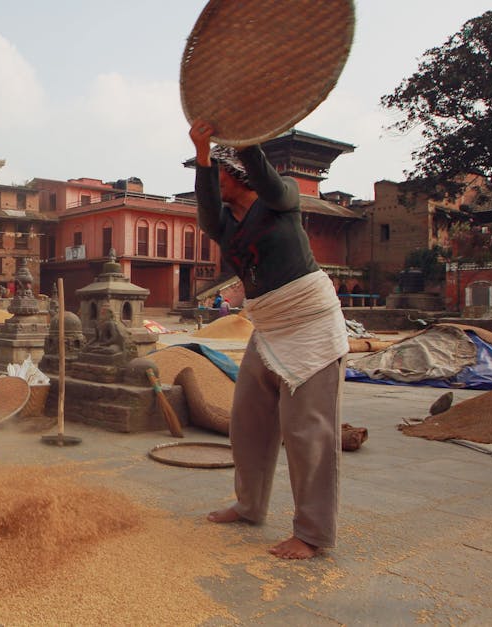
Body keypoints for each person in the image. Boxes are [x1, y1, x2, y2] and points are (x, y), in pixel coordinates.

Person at [189, 120, 349, 560]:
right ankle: (249, 504)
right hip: (271, 324)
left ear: (234, 172)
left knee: (306, 431)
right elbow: (205, 211)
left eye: (214, 172)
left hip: (310, 320)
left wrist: (245, 139)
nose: (207, 181)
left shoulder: (282, 200)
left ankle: (313, 533)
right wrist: (203, 155)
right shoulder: (226, 224)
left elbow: (263, 175)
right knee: (248, 420)